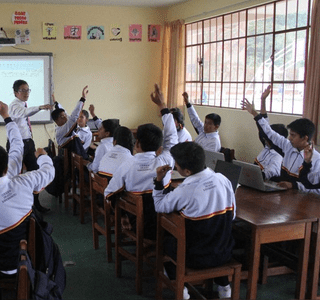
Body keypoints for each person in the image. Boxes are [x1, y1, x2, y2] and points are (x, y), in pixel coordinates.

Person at [153, 142, 235, 299]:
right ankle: (224, 287)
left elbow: (159, 206)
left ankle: (181, 289)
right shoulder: (223, 180)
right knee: (214, 235)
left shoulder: (186, 189)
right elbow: (233, 215)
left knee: (166, 245)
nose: (174, 166)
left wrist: (158, 181)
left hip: (194, 258)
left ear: (187, 171)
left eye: (176, 164)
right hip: (224, 252)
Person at [104, 84, 177, 239]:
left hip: (138, 226)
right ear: (159, 147)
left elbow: (109, 193)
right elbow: (172, 136)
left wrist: (122, 214)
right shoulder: (165, 161)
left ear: (136, 145)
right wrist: (162, 105)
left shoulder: (126, 165)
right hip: (165, 227)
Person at [0, 139, 54, 277]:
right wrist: (42, 156)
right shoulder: (25, 182)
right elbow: (48, 171)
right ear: (6, 168)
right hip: (27, 259)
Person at [242, 98, 320, 192]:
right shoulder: (288, 146)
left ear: (305, 138)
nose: (289, 138)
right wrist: (254, 113)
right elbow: (269, 132)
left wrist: (293, 185)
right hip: (282, 192)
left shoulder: (316, 159)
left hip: (301, 199)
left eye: (293, 135)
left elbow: (315, 189)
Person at [8, 79, 53, 213]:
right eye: (23, 90)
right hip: (16, 144)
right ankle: (17, 207)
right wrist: (40, 107)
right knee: (15, 175)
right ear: (16, 92)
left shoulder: (23, 103)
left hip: (28, 142)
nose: (26, 93)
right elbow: (24, 113)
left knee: (34, 171)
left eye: (28, 90)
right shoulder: (14, 106)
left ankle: (35, 204)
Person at [242, 85, 287, 180]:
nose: (265, 137)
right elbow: (263, 123)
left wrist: (254, 113)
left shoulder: (277, 157)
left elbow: (267, 174)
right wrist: (263, 100)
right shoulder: (269, 146)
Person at [51, 87, 89, 159]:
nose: (66, 117)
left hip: (70, 153)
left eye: (65, 114)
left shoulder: (63, 123)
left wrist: (55, 102)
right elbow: (74, 116)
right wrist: (83, 98)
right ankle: (85, 160)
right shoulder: (61, 130)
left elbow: (62, 110)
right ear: (57, 120)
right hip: (67, 157)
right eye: (63, 116)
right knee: (75, 137)